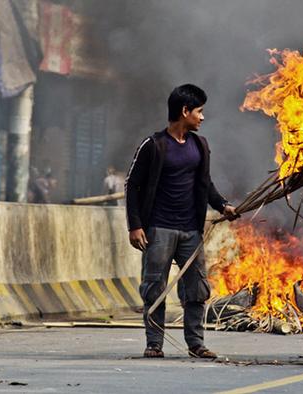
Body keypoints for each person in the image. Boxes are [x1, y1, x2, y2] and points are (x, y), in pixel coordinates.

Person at [125, 84, 238, 359]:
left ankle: (196, 343)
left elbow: (205, 184)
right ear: (184, 111)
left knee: (197, 289)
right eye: (198, 111)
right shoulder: (153, 145)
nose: (202, 117)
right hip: (159, 228)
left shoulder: (200, 145)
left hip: (191, 231)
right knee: (154, 288)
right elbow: (132, 186)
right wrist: (135, 225)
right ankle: (154, 344)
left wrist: (222, 205)